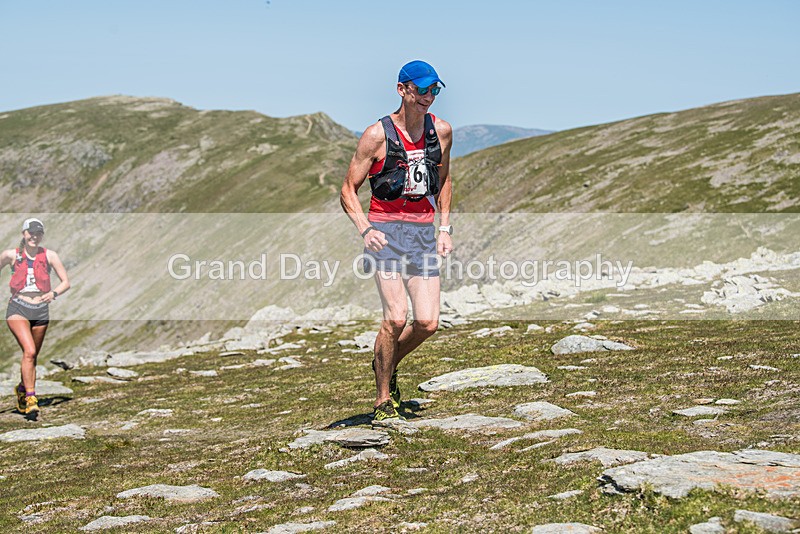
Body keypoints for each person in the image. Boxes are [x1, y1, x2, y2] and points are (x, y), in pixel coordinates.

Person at [340, 60, 453, 422]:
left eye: (434, 90)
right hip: (385, 234)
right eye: (422, 89)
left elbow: (444, 181)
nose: (428, 96)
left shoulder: (441, 131)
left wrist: (445, 229)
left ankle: (385, 361)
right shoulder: (377, 135)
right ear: (402, 89)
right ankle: (383, 400)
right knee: (395, 318)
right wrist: (365, 229)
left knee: (428, 322)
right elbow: (348, 189)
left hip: (421, 234)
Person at [0, 218, 70, 418]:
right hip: (18, 308)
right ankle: (31, 399)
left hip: (40, 311)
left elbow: (66, 282)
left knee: (32, 356)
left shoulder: (50, 255)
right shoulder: (10, 255)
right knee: (29, 351)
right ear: (24, 234)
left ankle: (22, 389)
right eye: (31, 232)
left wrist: (54, 293)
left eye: (38, 233)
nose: (34, 236)